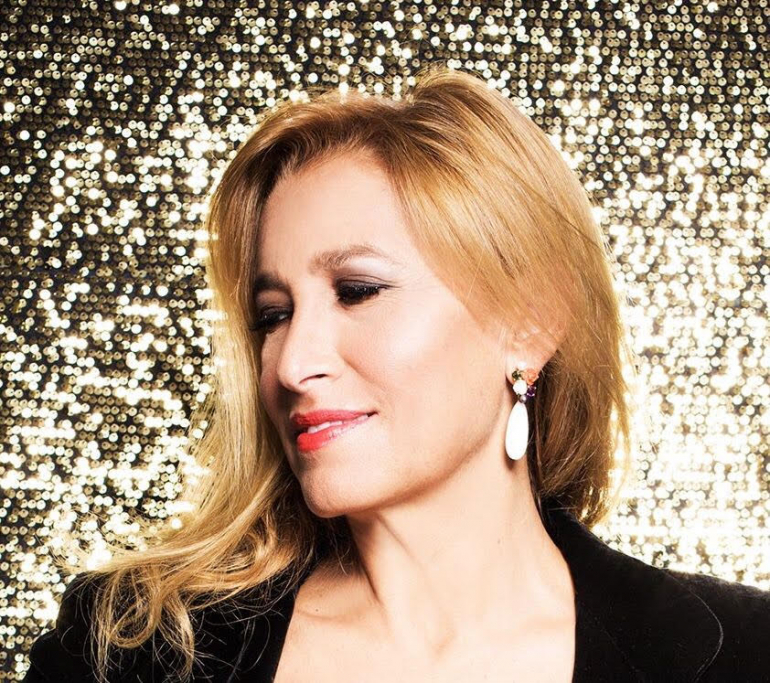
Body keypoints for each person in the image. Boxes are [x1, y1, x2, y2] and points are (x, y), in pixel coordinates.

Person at [24, 64, 769, 683]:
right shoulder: (129, 648)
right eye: (272, 315)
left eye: (357, 291)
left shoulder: (745, 653)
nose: (294, 363)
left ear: (531, 324)